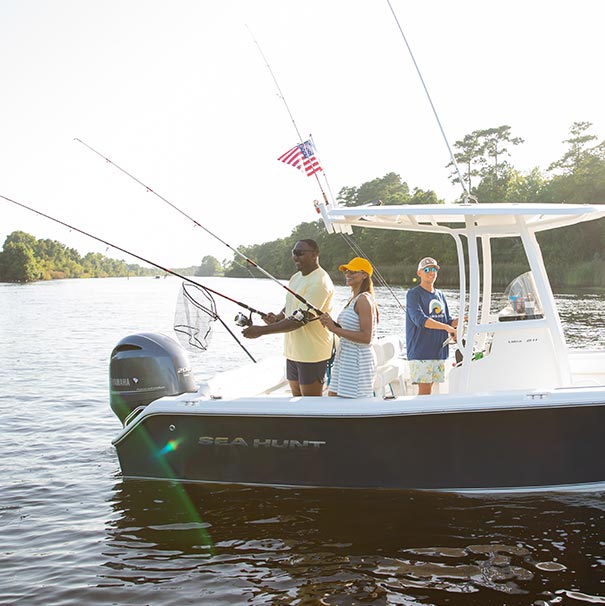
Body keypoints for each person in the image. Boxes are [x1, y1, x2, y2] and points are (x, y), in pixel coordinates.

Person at [242, 239, 334, 396]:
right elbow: (291, 305)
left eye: (300, 253)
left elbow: (301, 319)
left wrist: (262, 331)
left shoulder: (320, 282)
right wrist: (278, 317)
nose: (295, 257)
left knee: (309, 404)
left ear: (315, 255)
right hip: (293, 351)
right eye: (294, 253)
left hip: (311, 353)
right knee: (296, 397)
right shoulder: (296, 277)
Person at [319, 257, 377, 398]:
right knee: (334, 400)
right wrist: (331, 324)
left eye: (352, 271)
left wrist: (335, 329)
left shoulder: (364, 299)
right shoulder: (353, 299)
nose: (348, 274)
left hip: (357, 361)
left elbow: (366, 338)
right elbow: (348, 333)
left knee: (349, 406)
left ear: (364, 275)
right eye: (346, 272)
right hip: (345, 359)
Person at [405, 256, 458, 395]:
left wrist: (464, 319)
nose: (431, 272)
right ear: (419, 273)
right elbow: (420, 320)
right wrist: (448, 328)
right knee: (424, 391)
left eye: (434, 269)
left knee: (431, 389)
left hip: (438, 352)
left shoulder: (440, 294)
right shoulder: (413, 294)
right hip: (421, 352)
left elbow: (447, 321)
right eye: (427, 269)